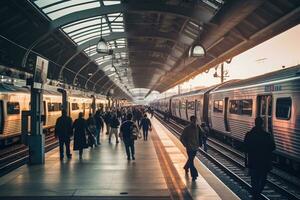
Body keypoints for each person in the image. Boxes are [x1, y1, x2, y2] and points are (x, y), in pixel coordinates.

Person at [244, 117, 276, 199]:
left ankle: (255, 194)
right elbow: (273, 147)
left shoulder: (249, 134)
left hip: (253, 161)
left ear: (255, 123)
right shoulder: (267, 135)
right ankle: (258, 193)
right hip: (264, 162)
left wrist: (246, 161)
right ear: (262, 124)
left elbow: (245, 148)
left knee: (254, 179)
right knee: (263, 179)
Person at [180, 115, 201, 181]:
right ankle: (194, 175)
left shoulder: (198, 127)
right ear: (191, 120)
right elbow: (181, 138)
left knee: (190, 160)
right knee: (191, 161)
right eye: (193, 120)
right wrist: (186, 145)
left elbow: (202, 134)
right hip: (189, 148)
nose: (194, 121)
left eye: (195, 120)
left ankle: (186, 167)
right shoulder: (187, 128)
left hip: (195, 147)